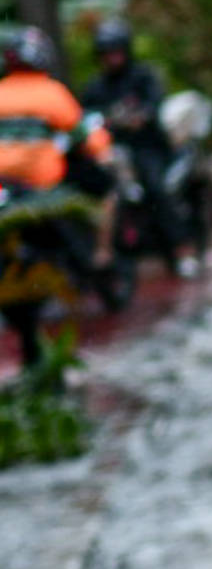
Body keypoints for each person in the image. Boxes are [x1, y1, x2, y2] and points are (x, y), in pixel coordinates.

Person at [0, 25, 120, 366]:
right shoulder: (51, 93)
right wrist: (103, 150)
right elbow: (89, 139)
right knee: (104, 188)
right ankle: (101, 255)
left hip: (6, 190)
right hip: (41, 187)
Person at [79, 20, 196, 279]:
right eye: (107, 53)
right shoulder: (96, 87)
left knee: (156, 190)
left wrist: (142, 116)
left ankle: (182, 249)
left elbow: (155, 103)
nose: (112, 58)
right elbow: (85, 115)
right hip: (113, 152)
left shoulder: (142, 76)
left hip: (147, 147)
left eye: (116, 51)